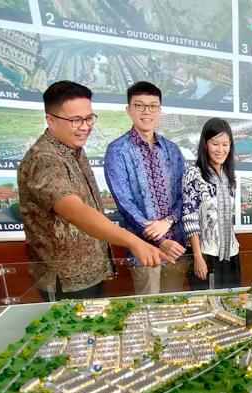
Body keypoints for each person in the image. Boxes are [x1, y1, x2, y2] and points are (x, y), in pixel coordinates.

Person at [18, 80, 169, 301]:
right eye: (75, 120)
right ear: (51, 120)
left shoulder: (73, 149)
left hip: (90, 274)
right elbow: (75, 210)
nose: (85, 126)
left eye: (89, 118)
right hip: (66, 280)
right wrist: (135, 242)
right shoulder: (44, 159)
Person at [104, 81, 187, 295]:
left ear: (159, 110)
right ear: (129, 110)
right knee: (149, 309)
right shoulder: (117, 151)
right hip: (144, 250)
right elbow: (125, 204)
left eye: (153, 106)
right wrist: (160, 240)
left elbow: (185, 195)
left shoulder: (172, 150)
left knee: (175, 308)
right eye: (139, 105)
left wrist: (168, 221)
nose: (146, 111)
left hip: (176, 247)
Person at [181, 118, 240, 290]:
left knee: (233, 301)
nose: (221, 150)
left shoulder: (230, 175)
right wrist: (198, 256)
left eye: (225, 144)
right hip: (205, 255)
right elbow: (189, 217)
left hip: (232, 254)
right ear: (205, 145)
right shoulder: (194, 173)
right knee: (207, 302)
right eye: (215, 144)